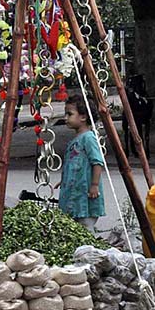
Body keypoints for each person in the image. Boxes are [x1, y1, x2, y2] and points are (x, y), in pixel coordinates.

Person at [57, 95, 105, 233]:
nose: (65, 118)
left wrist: (94, 185)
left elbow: (97, 162)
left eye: (70, 114)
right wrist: (64, 180)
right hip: (74, 195)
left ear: (83, 117)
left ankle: (89, 251)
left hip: (85, 196)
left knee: (85, 227)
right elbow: (74, 165)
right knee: (74, 227)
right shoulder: (76, 140)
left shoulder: (89, 138)